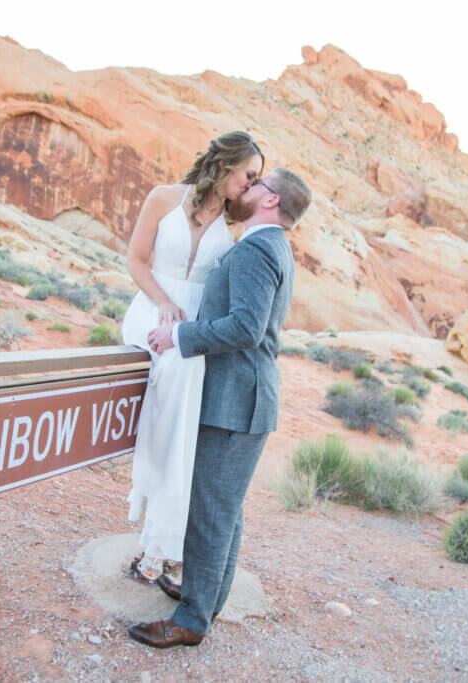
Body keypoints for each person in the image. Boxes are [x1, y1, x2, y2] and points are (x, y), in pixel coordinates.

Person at [127, 167, 312, 648]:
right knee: (224, 511)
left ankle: (191, 620)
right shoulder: (272, 247)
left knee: (211, 512)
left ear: (270, 201)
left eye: (256, 184)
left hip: (236, 402)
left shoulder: (255, 249)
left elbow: (246, 328)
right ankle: (205, 599)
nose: (245, 189)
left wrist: (178, 336)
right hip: (246, 400)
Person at [120, 131, 264, 586]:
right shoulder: (163, 199)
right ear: (225, 166)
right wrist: (163, 303)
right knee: (179, 406)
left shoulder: (233, 227)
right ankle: (160, 541)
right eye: (249, 174)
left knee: (184, 416)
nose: (251, 184)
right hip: (151, 313)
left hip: (190, 335)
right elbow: (136, 260)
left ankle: (159, 542)